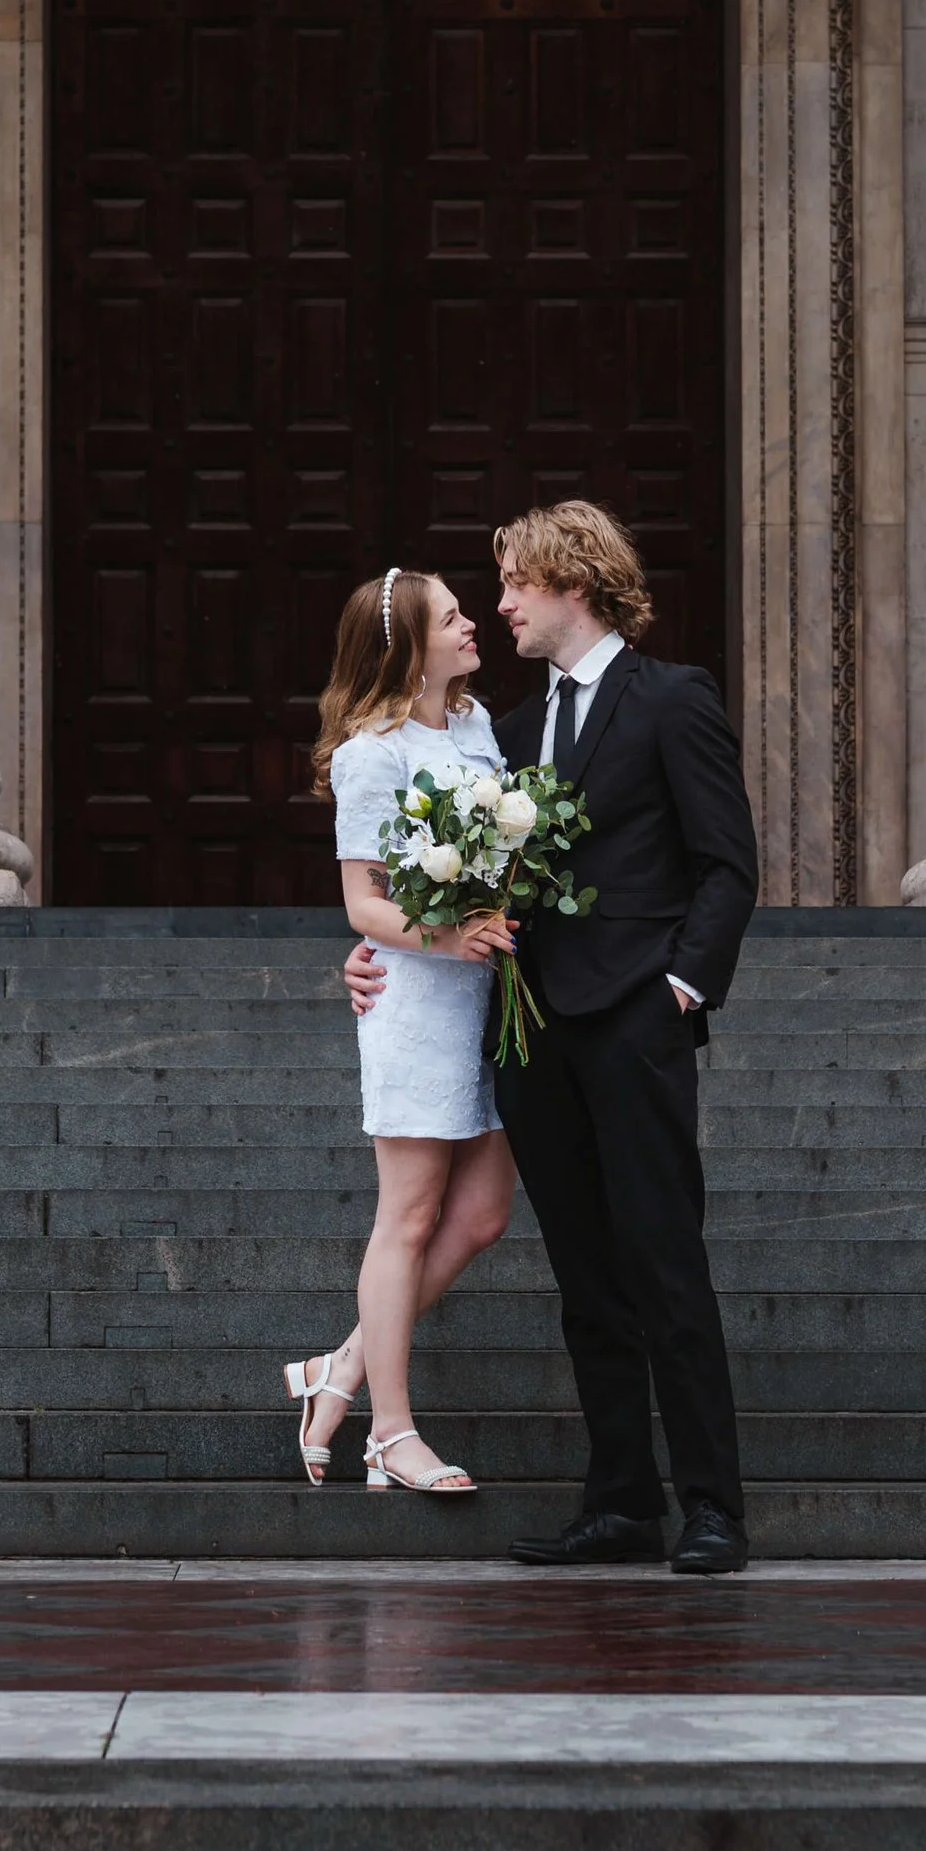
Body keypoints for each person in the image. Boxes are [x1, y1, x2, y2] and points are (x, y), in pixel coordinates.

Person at [347, 500, 759, 1574]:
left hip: (634, 1022)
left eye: (516, 586)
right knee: (586, 1280)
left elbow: (727, 863)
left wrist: (681, 986)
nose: (503, 606)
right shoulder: (507, 733)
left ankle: (712, 1507)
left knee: (664, 1265)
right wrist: (372, 955)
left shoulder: (673, 700)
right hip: (527, 1035)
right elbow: (434, 879)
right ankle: (620, 1502)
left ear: (571, 581)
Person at [285, 566, 518, 1498]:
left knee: (485, 1213)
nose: (474, 625)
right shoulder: (370, 753)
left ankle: (338, 1369)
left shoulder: (473, 726)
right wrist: (450, 934)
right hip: (418, 1001)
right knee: (411, 1217)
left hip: (490, 999)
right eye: (454, 617)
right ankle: (388, 1432)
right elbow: (363, 905)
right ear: (409, 646)